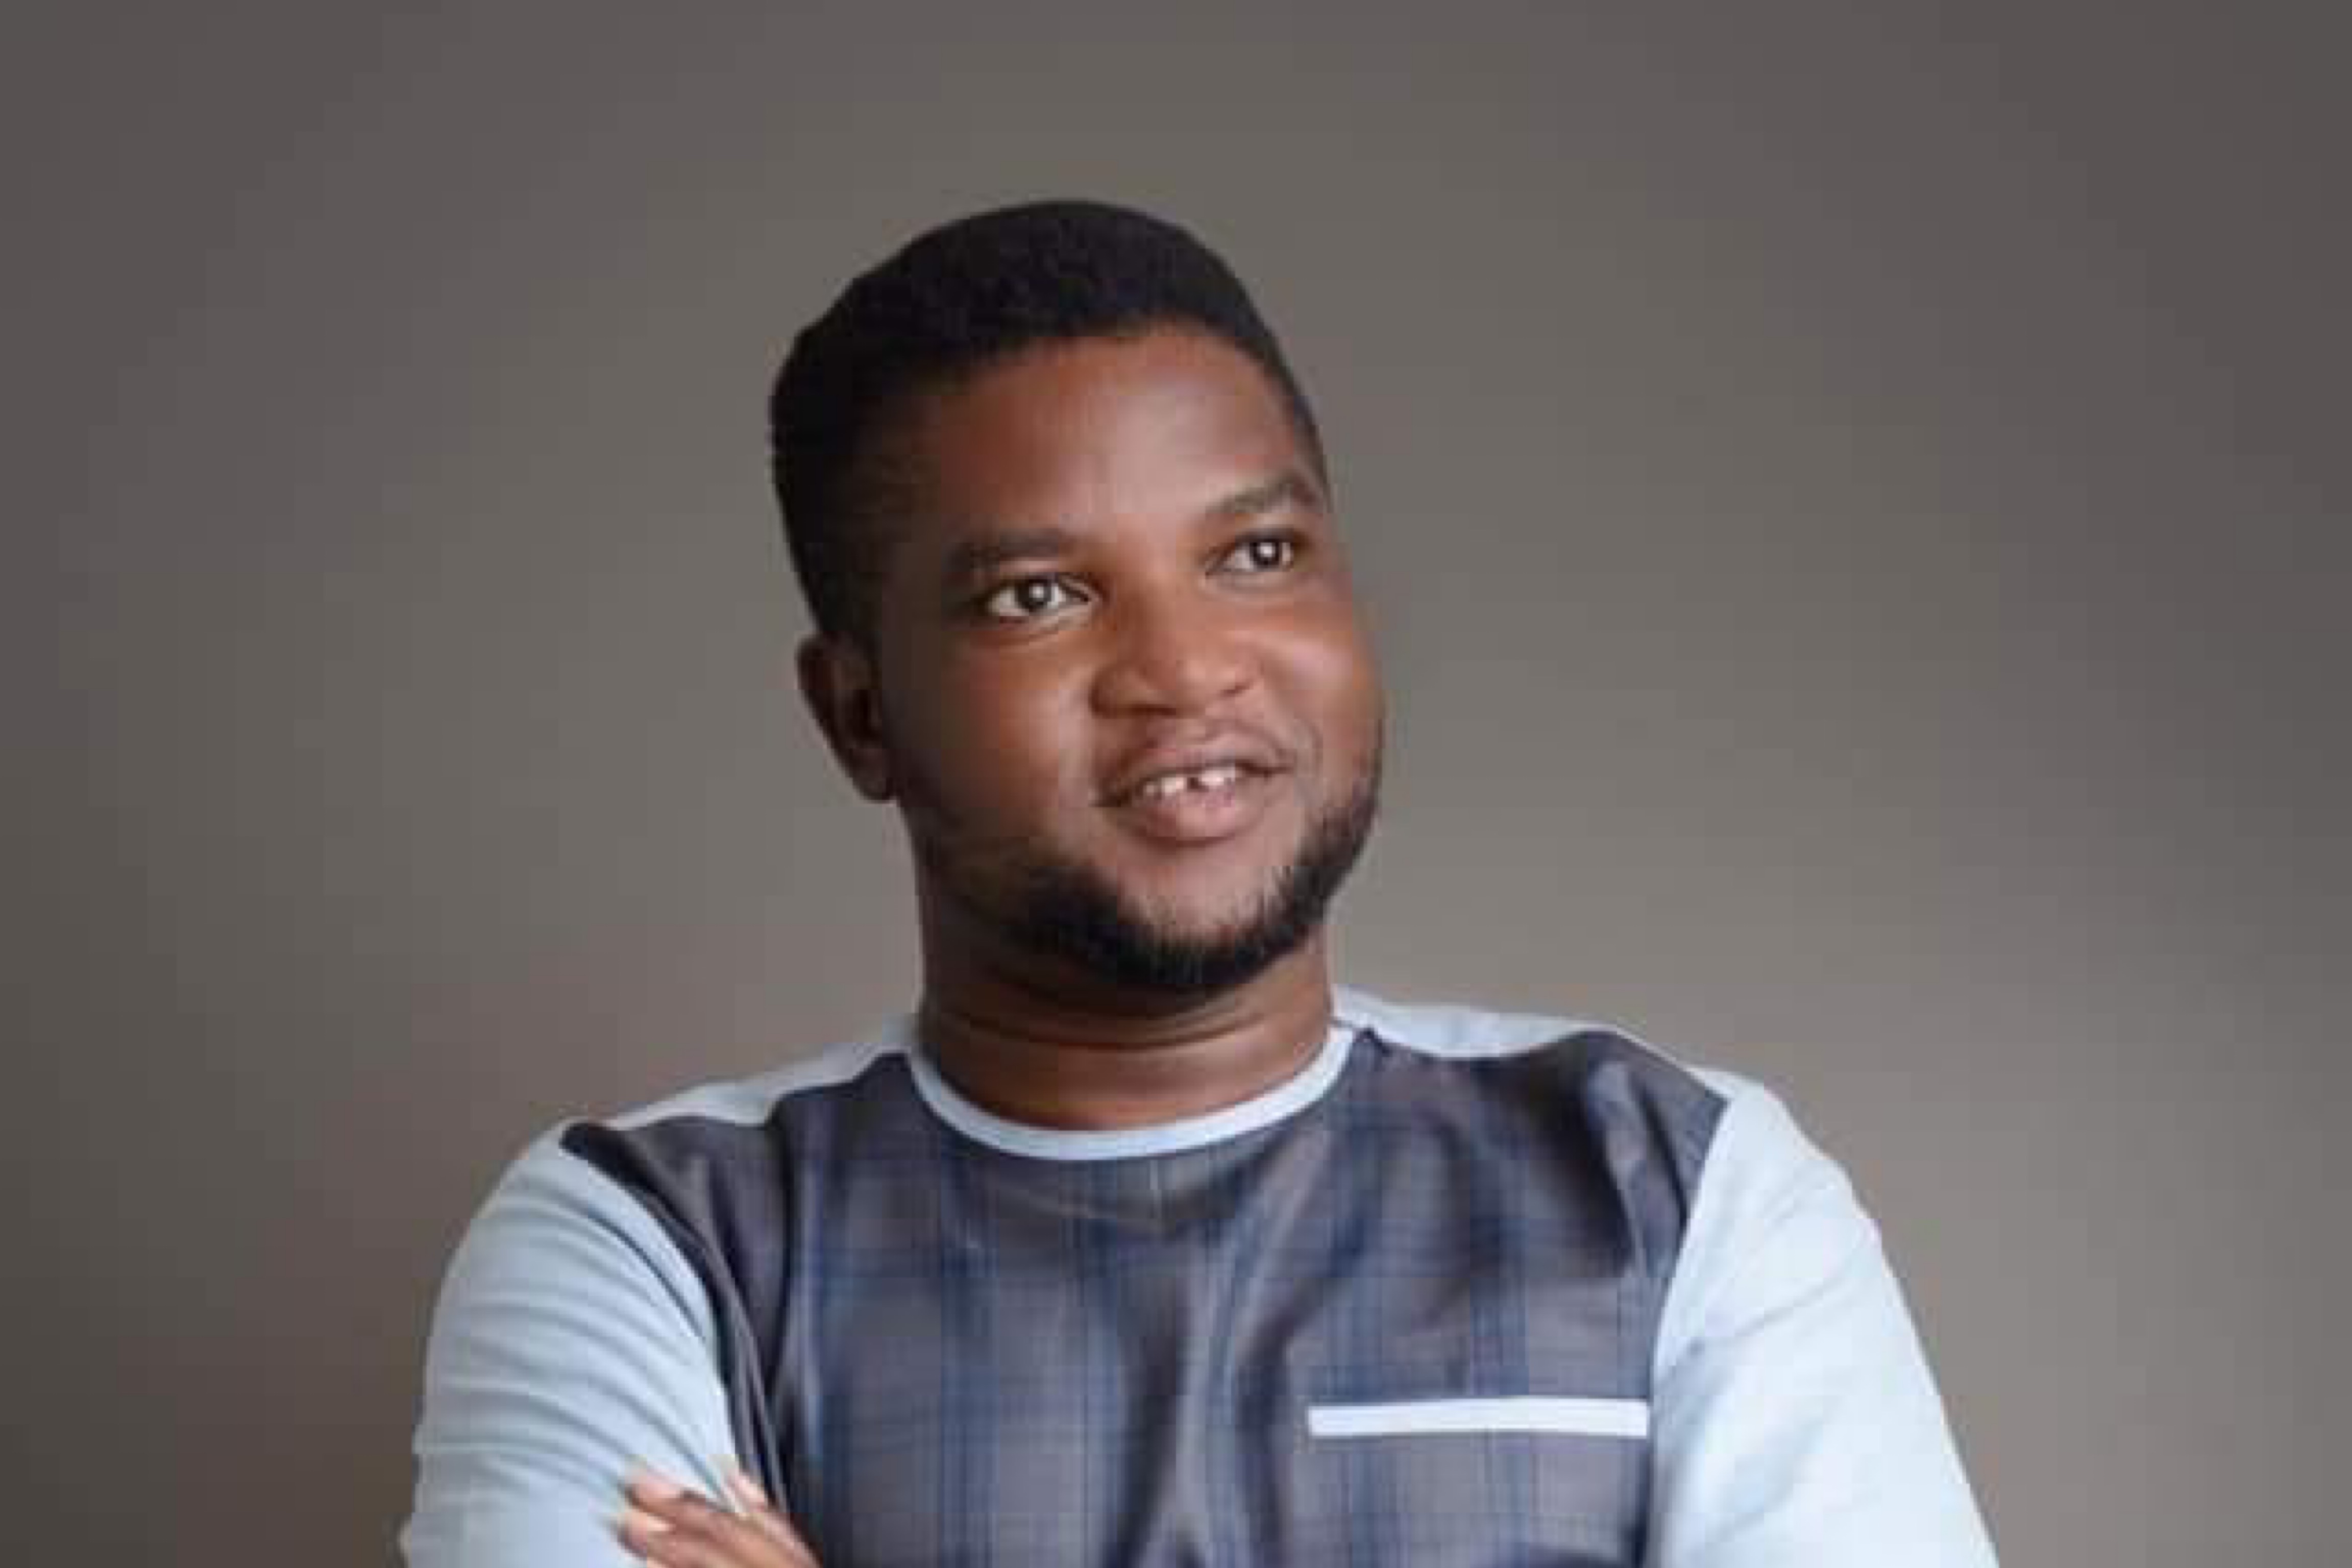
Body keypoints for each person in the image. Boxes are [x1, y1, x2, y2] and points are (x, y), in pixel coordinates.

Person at [399, 200, 2000, 1567]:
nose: (1183, 668)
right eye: (1038, 595)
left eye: (1255, 557)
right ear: (860, 714)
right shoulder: (649, 1243)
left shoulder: (1678, 1189)